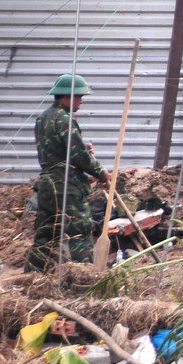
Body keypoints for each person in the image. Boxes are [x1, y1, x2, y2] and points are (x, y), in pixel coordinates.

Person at [29, 74, 110, 272]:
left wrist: (80, 147)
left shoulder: (43, 118)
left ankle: (33, 277)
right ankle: (85, 278)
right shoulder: (65, 120)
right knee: (79, 231)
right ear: (69, 96)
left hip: (47, 185)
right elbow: (79, 156)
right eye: (80, 96)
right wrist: (100, 172)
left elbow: (58, 149)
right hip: (67, 187)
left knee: (45, 233)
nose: (81, 101)